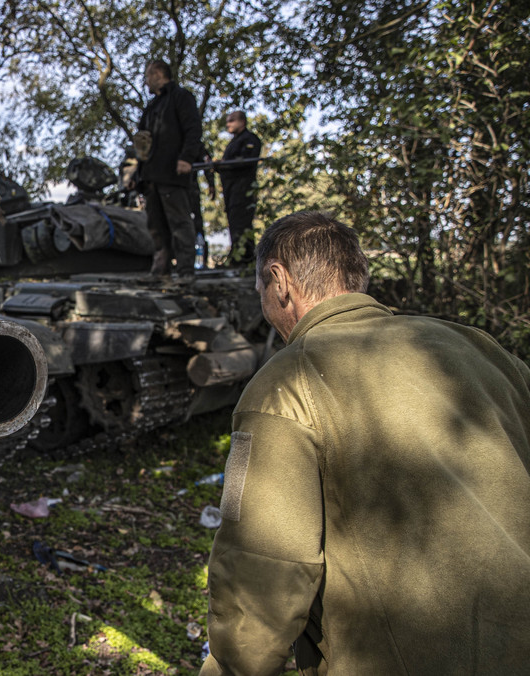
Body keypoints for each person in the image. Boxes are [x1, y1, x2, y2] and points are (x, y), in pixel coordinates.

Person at [201, 211, 530, 675]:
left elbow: (265, 563)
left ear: (279, 281)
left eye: (260, 292)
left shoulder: (286, 381)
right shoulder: (480, 348)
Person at [130, 59, 203, 278]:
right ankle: (161, 269)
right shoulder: (151, 107)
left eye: (147, 76)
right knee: (156, 225)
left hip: (173, 173)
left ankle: (185, 270)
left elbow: (193, 129)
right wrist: (137, 173)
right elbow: (143, 144)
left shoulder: (181, 97)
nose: (145, 82)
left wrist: (186, 158)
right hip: (151, 175)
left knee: (179, 222)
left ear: (158, 74)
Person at [214, 111, 261, 266]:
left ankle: (245, 258)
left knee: (242, 223)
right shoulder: (234, 142)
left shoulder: (249, 139)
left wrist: (225, 164)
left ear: (242, 121)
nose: (228, 124)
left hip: (243, 189)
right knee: (234, 223)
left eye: (231, 121)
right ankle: (238, 255)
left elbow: (245, 162)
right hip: (231, 191)